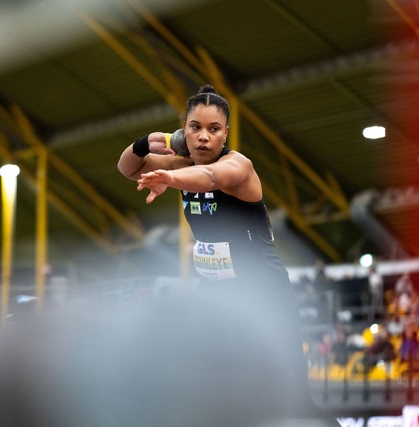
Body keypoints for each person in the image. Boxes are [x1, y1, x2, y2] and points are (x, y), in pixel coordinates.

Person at [117, 84, 340, 426]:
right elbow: (127, 168)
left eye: (213, 129)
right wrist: (144, 144)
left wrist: (170, 177)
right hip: (215, 294)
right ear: (183, 130)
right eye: (195, 127)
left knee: (294, 401)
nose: (203, 137)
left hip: (264, 293)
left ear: (226, 134)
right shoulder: (180, 162)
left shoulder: (238, 166)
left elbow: (209, 177)